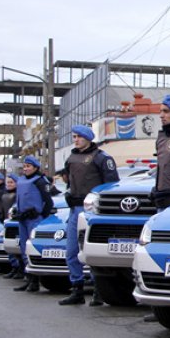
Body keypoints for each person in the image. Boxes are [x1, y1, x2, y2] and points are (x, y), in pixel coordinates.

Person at [58, 125, 119, 306]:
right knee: (71, 252)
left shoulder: (102, 158)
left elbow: (112, 186)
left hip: (92, 210)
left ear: (88, 138)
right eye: (74, 136)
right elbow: (69, 180)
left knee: (92, 252)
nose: (75, 140)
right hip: (75, 209)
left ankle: (99, 291)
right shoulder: (71, 158)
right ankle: (76, 288)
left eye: (78, 137)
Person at [13, 155, 54, 292]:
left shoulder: (41, 181)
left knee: (33, 249)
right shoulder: (21, 180)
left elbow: (48, 202)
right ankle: (29, 278)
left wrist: (41, 216)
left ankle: (35, 281)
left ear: (35, 167)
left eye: (28, 166)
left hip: (34, 219)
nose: (25, 169)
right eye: (24, 166)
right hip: (22, 219)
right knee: (24, 249)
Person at [1, 174, 24, 280]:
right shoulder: (5, 194)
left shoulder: (17, 194)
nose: (9, 184)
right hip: (7, 223)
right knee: (10, 248)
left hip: (16, 223)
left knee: (17, 247)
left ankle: (20, 268)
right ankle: (14, 268)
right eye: (7, 182)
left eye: (11, 182)